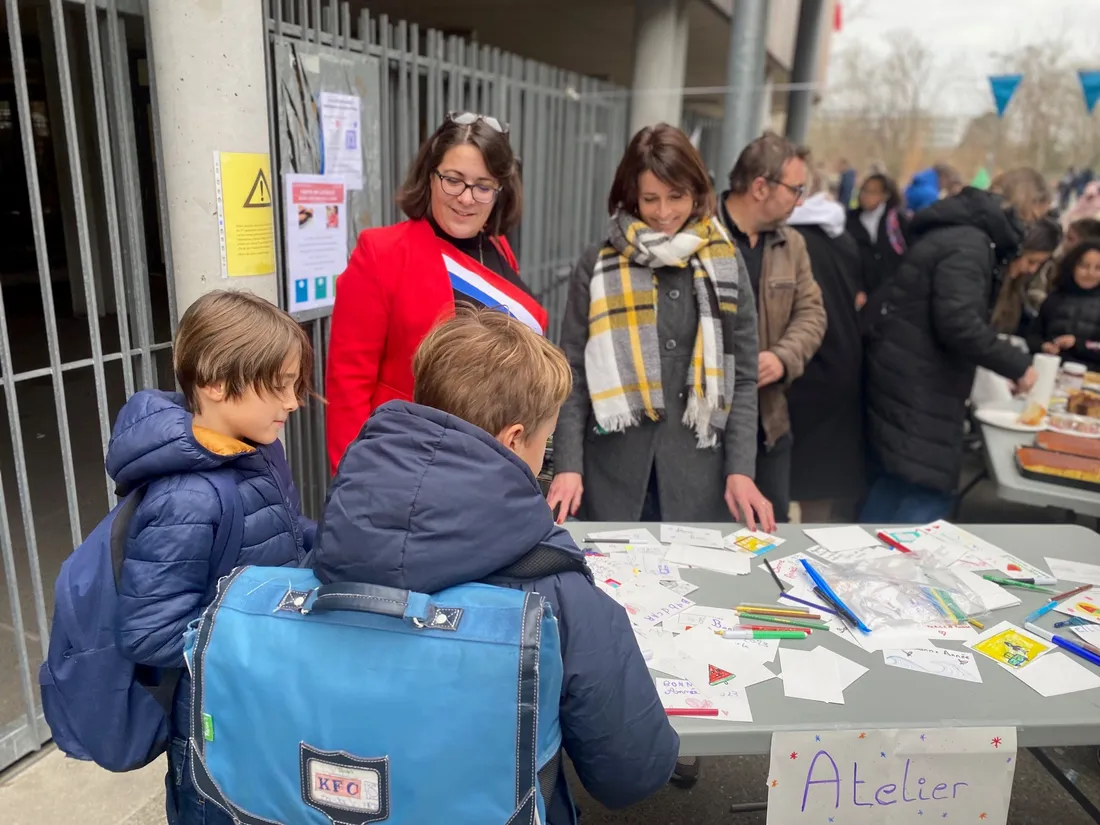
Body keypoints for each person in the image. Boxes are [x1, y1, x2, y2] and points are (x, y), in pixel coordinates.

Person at [311, 307, 680, 824]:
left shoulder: (330, 543)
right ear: (512, 439)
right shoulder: (560, 594)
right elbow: (633, 772)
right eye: (544, 443)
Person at [111, 291, 316, 825]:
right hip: (214, 724)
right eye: (279, 385)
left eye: (294, 385)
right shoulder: (187, 499)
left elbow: (277, 532)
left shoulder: (254, 448)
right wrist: (262, 624)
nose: (293, 402)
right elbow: (149, 633)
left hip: (256, 696)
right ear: (216, 384)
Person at [549, 124, 773, 529]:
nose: (664, 212)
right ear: (631, 195)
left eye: (677, 196)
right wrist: (568, 466)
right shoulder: (598, 263)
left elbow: (741, 376)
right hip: (611, 476)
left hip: (699, 479)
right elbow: (573, 375)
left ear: (697, 192)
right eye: (650, 199)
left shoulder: (724, 261)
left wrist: (742, 469)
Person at [325, 112, 545, 472]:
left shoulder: (501, 249)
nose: (466, 198)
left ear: (499, 191)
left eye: (483, 185)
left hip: (495, 463)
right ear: (430, 176)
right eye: (453, 180)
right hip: (409, 465)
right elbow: (348, 386)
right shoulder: (380, 253)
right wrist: (353, 480)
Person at [862, 171, 1046, 523]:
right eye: (1034, 218)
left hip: (906, 370)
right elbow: (958, 323)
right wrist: (1017, 363)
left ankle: (856, 561)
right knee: (926, 490)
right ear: (1024, 210)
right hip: (921, 379)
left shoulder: (961, 233)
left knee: (898, 480)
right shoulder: (970, 243)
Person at [716, 131, 826, 524]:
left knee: (769, 538)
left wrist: (782, 358)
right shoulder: (701, 238)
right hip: (707, 436)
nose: (800, 200)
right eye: (796, 189)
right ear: (760, 186)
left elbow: (812, 313)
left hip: (770, 426)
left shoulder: (791, 245)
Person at [786, 172, 865, 522]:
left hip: (805, 370)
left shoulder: (789, 241)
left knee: (788, 488)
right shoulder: (841, 235)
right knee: (819, 496)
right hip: (843, 363)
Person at [1027, 240, 1100, 370]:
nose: (1090, 273)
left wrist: (1078, 344)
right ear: (1072, 266)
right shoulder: (1055, 298)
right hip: (1050, 368)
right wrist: (1043, 346)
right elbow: (1033, 335)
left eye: (1098, 268)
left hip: (1091, 377)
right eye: (1084, 266)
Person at [990, 218, 1062, 336]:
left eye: (1039, 264)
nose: (1032, 269)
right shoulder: (990, 278)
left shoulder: (1017, 285)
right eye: (1031, 261)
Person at [846, 173, 908, 304]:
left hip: (893, 289)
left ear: (885, 196)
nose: (865, 196)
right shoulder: (850, 221)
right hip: (863, 292)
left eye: (872, 192)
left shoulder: (896, 221)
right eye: (864, 191)